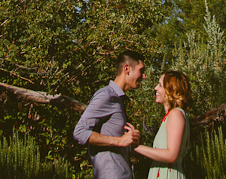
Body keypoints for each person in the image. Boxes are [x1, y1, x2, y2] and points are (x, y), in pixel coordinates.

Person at [73, 50, 146, 179]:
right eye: (141, 70)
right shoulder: (106, 95)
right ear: (127, 68)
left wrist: (132, 144)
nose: (144, 76)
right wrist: (120, 141)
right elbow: (79, 132)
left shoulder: (118, 99)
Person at [134, 70, 192, 179]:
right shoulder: (172, 115)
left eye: (160, 85)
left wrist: (137, 147)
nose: (156, 88)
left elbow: (171, 155)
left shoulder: (175, 114)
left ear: (172, 91)